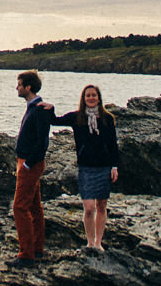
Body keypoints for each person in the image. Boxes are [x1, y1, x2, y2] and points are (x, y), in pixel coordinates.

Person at [49, 84, 119, 253]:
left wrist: (114, 166)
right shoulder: (76, 117)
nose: (91, 98)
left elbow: (113, 144)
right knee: (88, 208)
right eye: (88, 95)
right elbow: (55, 121)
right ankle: (89, 242)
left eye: (94, 95)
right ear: (83, 98)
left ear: (99, 98)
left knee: (101, 206)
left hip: (104, 167)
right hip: (86, 168)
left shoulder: (107, 118)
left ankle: (98, 243)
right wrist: (49, 108)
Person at [12, 70, 51, 266]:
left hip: (30, 164)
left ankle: (26, 254)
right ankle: (37, 249)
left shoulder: (39, 110)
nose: (16, 88)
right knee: (34, 207)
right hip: (27, 162)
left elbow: (43, 142)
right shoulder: (34, 107)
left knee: (19, 207)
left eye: (19, 85)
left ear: (28, 87)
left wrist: (27, 164)